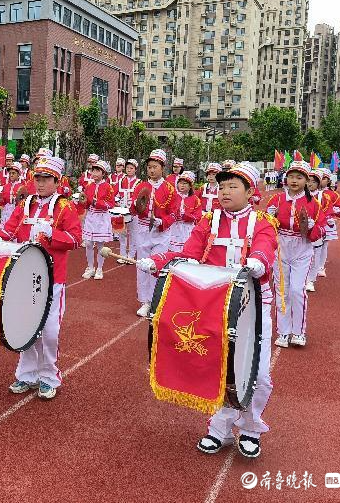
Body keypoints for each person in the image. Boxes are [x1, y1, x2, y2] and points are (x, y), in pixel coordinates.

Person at [137, 162, 278, 460]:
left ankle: (251, 429)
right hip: (218, 303)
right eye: (222, 186)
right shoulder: (208, 221)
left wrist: (257, 262)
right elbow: (188, 255)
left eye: (233, 186)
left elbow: (265, 249)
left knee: (258, 374)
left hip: (255, 307)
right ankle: (220, 430)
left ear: (250, 192)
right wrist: (159, 260)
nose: (224, 191)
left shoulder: (262, 222)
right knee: (222, 368)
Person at [0, 156, 81, 399]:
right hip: (23, 275)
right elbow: (8, 232)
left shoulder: (65, 207)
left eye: (46, 179)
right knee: (26, 326)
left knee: (50, 331)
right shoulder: (25, 205)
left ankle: (49, 376)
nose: (40, 183)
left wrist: (54, 234)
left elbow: (75, 240)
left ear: (57, 180)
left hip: (53, 278)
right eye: (37, 178)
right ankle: (27, 374)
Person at [266, 160, 322, 348]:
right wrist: (270, 217)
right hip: (281, 247)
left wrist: (313, 227)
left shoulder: (313, 203)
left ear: (306, 181)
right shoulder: (277, 200)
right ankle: (283, 331)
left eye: (299, 177)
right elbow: (266, 227)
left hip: (302, 248)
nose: (294, 180)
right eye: (291, 176)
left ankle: (299, 332)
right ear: (286, 178)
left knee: (297, 291)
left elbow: (318, 234)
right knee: (282, 291)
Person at [133, 149, 180, 317]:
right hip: (143, 230)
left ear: (162, 167)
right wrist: (135, 205)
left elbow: (175, 213)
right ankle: (145, 301)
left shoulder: (169, 188)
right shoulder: (140, 186)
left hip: (161, 233)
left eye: (155, 167)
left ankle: (156, 300)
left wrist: (162, 221)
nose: (151, 170)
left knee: (156, 265)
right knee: (142, 265)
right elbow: (134, 208)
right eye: (149, 167)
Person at [78, 160, 115, 280]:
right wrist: (82, 201)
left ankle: (99, 268)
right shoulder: (89, 186)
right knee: (88, 243)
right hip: (91, 216)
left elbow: (110, 204)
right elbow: (86, 203)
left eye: (97, 170)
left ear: (103, 173)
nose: (94, 173)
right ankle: (90, 267)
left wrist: (95, 202)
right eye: (93, 170)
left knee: (100, 245)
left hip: (102, 217)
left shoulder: (108, 187)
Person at [315, 169, 340, 280]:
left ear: (328, 181)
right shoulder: (309, 193)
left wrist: (332, 211)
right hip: (313, 223)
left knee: (323, 245)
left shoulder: (332, 194)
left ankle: (320, 267)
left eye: (324, 178)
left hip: (327, 223)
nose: (321, 181)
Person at [168, 171, 202, 252]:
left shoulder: (195, 199)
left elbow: (198, 216)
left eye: (185, 183)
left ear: (190, 186)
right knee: (172, 249)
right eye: (180, 183)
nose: (182, 185)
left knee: (186, 249)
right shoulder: (172, 197)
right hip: (174, 227)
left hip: (187, 228)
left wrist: (186, 216)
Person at [116, 159, 141, 264]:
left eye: (131, 168)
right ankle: (122, 255)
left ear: (135, 170)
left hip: (134, 212)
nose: (129, 170)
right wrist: (117, 201)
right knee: (122, 233)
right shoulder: (121, 180)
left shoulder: (139, 182)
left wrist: (135, 203)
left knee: (133, 234)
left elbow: (142, 197)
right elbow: (115, 194)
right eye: (127, 168)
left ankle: (131, 256)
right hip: (122, 210)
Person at [0, 162, 24, 231]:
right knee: (3, 228)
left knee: (14, 229)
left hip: (16, 210)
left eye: (13, 173)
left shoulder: (22, 187)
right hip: (6, 210)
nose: (11, 175)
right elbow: (2, 201)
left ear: (18, 174)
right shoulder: (6, 186)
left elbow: (23, 202)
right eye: (10, 173)